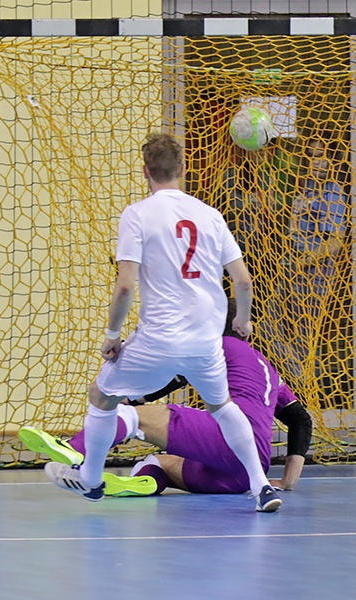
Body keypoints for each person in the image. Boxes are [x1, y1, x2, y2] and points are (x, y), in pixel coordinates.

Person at [42, 133, 281, 512]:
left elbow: (125, 286)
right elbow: (243, 280)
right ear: (183, 170)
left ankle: (90, 479)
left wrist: (112, 336)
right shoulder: (211, 216)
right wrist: (244, 319)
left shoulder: (137, 214)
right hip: (205, 342)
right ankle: (262, 486)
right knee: (222, 407)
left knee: (102, 397)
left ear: (145, 172)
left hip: (158, 340)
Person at [19, 299, 312, 496]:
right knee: (161, 462)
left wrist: (131, 398)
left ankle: (76, 450)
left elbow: (170, 374)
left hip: (226, 438)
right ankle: (142, 482)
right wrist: (288, 480)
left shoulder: (215, 346)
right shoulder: (268, 370)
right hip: (243, 475)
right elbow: (300, 419)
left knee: (134, 419)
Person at [267, 137, 347, 387]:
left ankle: (307, 388)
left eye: (320, 156)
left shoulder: (332, 192)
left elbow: (335, 242)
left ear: (330, 160)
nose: (315, 162)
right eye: (311, 156)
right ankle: (297, 379)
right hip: (293, 267)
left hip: (315, 272)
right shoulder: (305, 188)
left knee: (305, 335)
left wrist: (303, 262)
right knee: (269, 327)